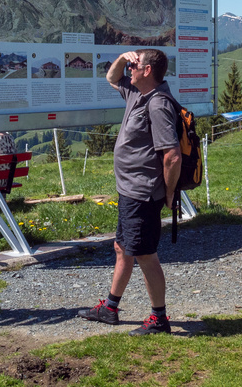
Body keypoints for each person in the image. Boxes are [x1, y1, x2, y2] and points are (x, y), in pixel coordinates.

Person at [78, 49, 182, 335]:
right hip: (129, 190)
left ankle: (159, 318)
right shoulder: (137, 92)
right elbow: (112, 77)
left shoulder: (158, 104)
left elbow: (172, 156)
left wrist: (170, 194)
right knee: (123, 247)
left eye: (134, 66)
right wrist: (124, 58)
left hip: (143, 193)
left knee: (146, 253)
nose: (129, 70)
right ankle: (110, 308)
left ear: (147, 70)